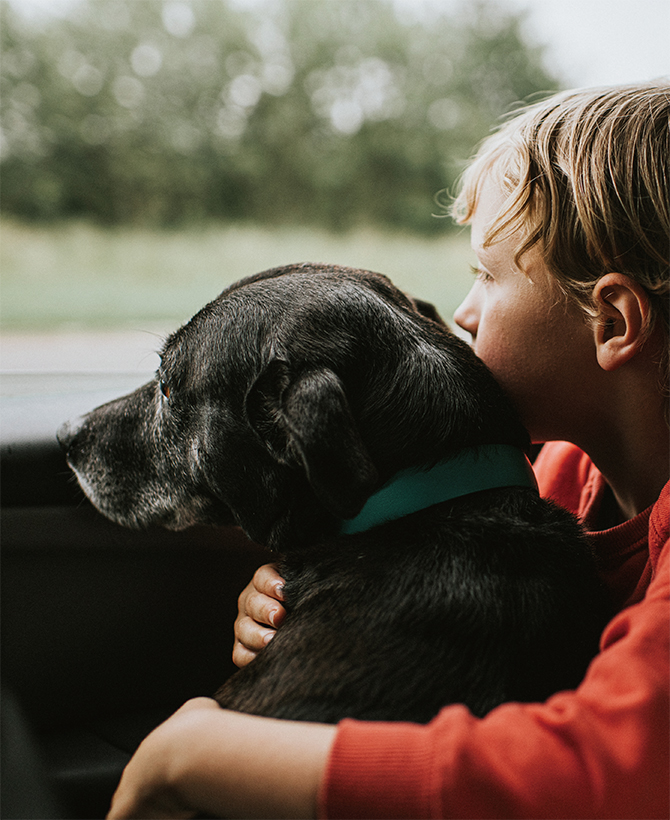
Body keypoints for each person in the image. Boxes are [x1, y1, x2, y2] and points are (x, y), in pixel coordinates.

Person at [107, 82, 669, 820]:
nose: (463, 314)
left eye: (487, 276)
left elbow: (598, 773)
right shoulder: (563, 473)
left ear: (613, 321)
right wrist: (301, 600)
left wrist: (195, 752)